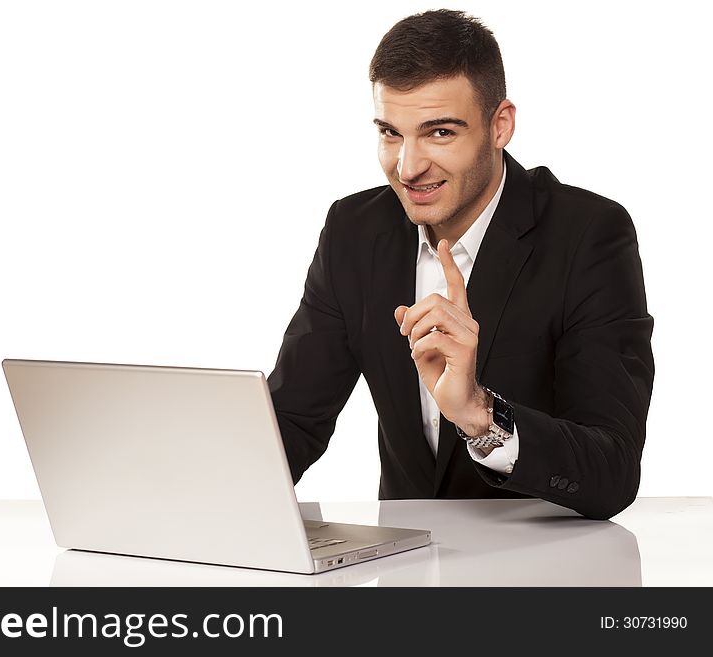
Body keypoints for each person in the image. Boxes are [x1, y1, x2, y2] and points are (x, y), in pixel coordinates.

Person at [267, 9, 654, 521]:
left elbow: (613, 470)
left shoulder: (588, 235)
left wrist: (479, 414)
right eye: (390, 132)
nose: (407, 167)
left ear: (500, 125)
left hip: (544, 572)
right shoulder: (353, 231)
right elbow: (292, 421)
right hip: (403, 571)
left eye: (440, 133)